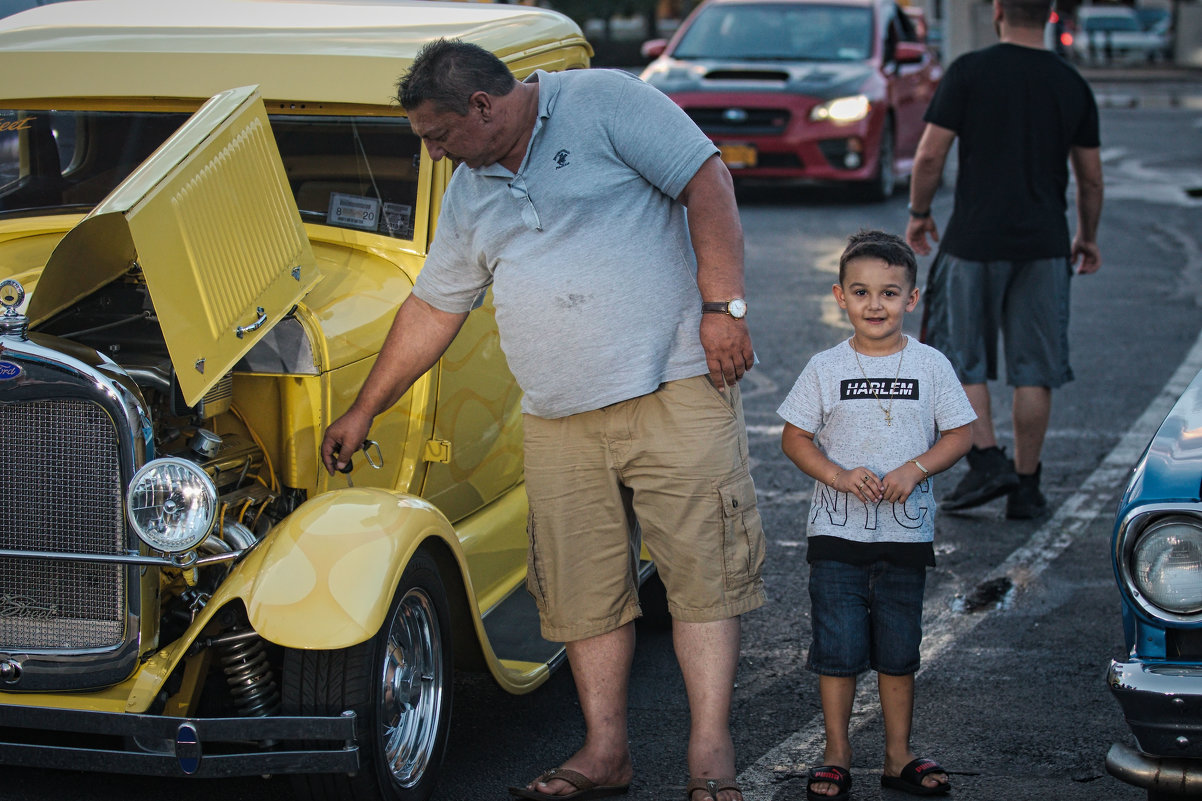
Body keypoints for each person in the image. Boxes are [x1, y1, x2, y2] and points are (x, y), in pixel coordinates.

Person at [319, 39, 765, 801]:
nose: (433, 157)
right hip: (559, 416)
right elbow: (434, 306)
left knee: (703, 574)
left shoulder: (605, 101)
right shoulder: (470, 188)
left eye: (437, 137)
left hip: (675, 385)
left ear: (483, 107)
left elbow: (707, 179)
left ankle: (710, 750)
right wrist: (365, 408)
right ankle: (605, 751)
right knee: (583, 591)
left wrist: (723, 306)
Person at [778, 231, 974, 800]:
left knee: (897, 649)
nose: (875, 305)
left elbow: (960, 432)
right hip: (836, 536)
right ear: (840, 296)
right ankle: (836, 753)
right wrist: (838, 476)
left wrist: (915, 469)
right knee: (837, 651)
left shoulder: (931, 365)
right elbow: (794, 438)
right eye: (861, 292)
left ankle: (897, 754)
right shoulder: (825, 367)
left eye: (890, 293)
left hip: (905, 538)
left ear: (912, 300)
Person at [906, 0, 1104, 520]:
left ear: (997, 10)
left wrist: (919, 212)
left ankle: (987, 459)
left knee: (959, 355)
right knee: (1034, 370)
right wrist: (1087, 236)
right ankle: (1027, 486)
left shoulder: (970, 71)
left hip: (973, 240)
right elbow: (1090, 177)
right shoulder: (1072, 83)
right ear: (1051, 12)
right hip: (1044, 244)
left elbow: (929, 155)